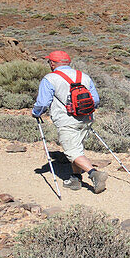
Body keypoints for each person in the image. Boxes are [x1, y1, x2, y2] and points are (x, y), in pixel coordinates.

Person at [31, 50, 108, 193]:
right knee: (77, 148)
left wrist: (36, 113)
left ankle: (94, 174)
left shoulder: (50, 78)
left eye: (49, 62)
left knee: (72, 151)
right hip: (86, 118)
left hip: (67, 121)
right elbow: (95, 100)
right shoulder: (83, 76)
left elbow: (42, 103)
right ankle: (75, 178)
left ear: (53, 63)